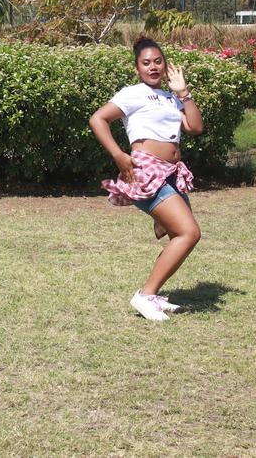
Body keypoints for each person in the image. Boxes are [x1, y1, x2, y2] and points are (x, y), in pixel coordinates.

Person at [89, 36, 204, 321]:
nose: (153, 67)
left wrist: (184, 93)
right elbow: (98, 119)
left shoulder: (171, 98)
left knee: (179, 235)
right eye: (146, 63)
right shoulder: (132, 94)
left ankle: (152, 293)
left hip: (172, 174)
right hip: (146, 171)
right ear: (137, 68)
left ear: (165, 65)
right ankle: (145, 295)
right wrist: (118, 155)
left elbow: (195, 127)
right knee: (189, 233)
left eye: (158, 61)